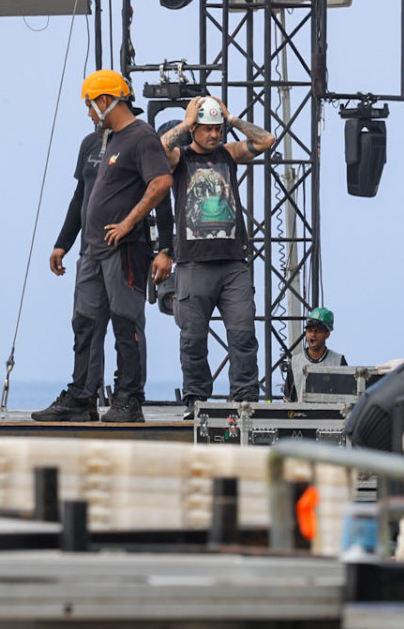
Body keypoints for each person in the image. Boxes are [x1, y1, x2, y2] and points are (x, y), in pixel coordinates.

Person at [33, 70, 173, 425]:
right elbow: (82, 196)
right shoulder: (101, 141)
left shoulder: (142, 137)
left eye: (90, 104)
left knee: (126, 321)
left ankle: (129, 398)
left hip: (125, 249)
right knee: (84, 322)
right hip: (92, 250)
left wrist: (144, 233)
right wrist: (63, 242)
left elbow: (161, 184)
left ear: (106, 100)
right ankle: (82, 396)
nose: (88, 112)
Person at [159, 96, 271, 404]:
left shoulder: (228, 154)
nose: (213, 135)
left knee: (243, 334)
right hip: (194, 264)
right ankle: (196, 400)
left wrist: (231, 118)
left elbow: (266, 140)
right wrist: (186, 122)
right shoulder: (181, 158)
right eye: (207, 129)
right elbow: (160, 149)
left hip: (233, 262)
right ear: (194, 129)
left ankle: (245, 399)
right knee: (193, 339)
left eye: (217, 129)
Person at [286, 307, 348, 401]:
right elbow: (289, 399)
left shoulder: (338, 362)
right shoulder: (295, 363)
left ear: (327, 334)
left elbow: (347, 397)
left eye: (317, 331)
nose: (313, 335)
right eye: (310, 331)